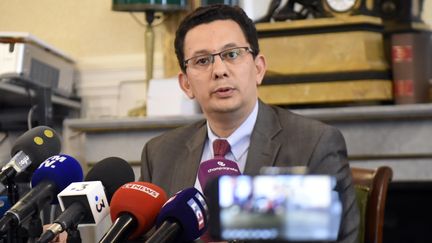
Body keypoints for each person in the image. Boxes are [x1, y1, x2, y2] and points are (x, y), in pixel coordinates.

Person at [140, 4, 359, 243]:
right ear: (186, 84)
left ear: (258, 68)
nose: (219, 70)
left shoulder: (314, 145)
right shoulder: (160, 154)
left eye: (232, 54)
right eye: (202, 61)